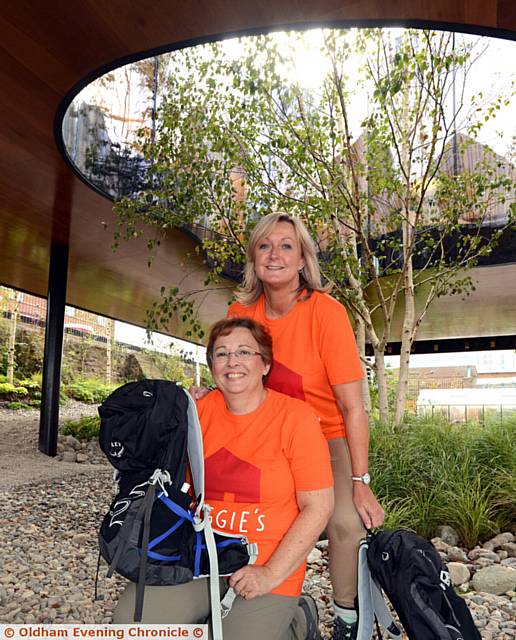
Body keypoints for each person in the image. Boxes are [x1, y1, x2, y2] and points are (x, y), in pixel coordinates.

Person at [114, 316, 334, 640]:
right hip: (197, 555)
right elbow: (151, 470)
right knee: (130, 624)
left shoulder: (296, 419)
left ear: (265, 365)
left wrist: (270, 574)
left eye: (244, 352)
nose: (232, 362)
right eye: (221, 353)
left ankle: (296, 623)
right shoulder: (196, 412)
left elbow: (319, 507)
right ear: (212, 365)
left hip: (265, 563)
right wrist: (171, 410)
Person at [226, 212, 385, 640]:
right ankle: (249, 596)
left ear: (302, 260)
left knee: (346, 523)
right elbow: (233, 374)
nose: (273, 254)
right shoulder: (241, 312)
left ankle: (347, 617)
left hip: (325, 436)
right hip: (267, 437)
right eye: (264, 246)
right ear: (253, 257)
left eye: (286, 246)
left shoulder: (326, 313)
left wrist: (359, 479)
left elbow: (354, 407)